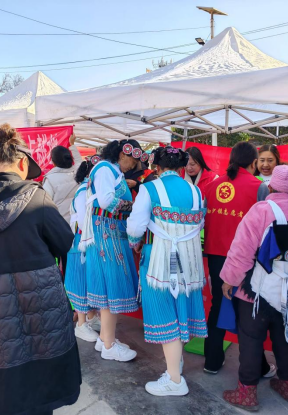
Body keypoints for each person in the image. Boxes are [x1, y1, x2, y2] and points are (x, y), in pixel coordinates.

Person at [0, 124, 80, 415]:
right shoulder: (36, 198)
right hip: (37, 300)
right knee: (39, 378)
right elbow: (66, 243)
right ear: (22, 164)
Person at [220, 165, 288, 411]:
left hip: (257, 292)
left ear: (271, 186)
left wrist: (229, 280)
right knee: (285, 337)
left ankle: (247, 393)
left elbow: (241, 251)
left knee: (251, 339)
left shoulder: (262, 210)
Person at [127, 146, 208, 396]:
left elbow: (135, 226)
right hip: (189, 260)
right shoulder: (195, 190)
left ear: (157, 167)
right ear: (182, 167)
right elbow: (199, 224)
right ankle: (176, 363)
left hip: (159, 258)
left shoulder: (149, 188)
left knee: (165, 312)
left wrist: (135, 242)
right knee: (180, 308)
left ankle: (174, 379)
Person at [202, 142, 272, 375]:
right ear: (254, 162)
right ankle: (258, 367)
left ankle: (212, 361)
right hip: (245, 258)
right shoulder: (259, 187)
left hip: (215, 254)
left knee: (217, 305)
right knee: (247, 310)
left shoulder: (213, 185)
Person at [79, 139, 142, 362]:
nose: (133, 165)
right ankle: (108, 345)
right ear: (122, 154)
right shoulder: (105, 169)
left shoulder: (111, 170)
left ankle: (105, 338)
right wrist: (134, 206)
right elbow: (106, 201)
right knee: (110, 289)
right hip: (107, 234)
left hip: (111, 233)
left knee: (110, 290)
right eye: (132, 160)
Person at [65, 156, 102, 342]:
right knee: (81, 281)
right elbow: (82, 220)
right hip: (81, 242)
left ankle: (91, 318)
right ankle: (81, 324)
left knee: (89, 281)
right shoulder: (83, 192)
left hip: (87, 241)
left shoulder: (89, 190)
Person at [43, 134, 82, 224]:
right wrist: (72, 144)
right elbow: (79, 161)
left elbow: (45, 205)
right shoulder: (78, 172)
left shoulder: (50, 179)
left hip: (60, 223)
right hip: (77, 222)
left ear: (53, 162)